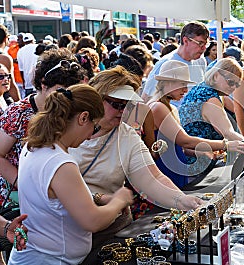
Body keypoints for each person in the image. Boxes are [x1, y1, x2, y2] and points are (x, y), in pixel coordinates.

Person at [68, 66, 204, 247]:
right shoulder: (64, 131)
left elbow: (153, 177)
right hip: (66, 229)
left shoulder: (126, 135)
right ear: (96, 100)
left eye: (127, 105)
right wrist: (101, 197)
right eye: (116, 104)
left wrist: (182, 200)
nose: (123, 111)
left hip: (108, 228)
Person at [6, 84, 133, 265]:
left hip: (35, 264)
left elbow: (60, 195)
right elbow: (92, 221)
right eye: (94, 126)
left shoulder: (34, 146)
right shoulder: (60, 163)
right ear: (83, 118)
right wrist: (119, 200)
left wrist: (98, 198)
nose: (91, 135)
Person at [149, 60, 244, 187]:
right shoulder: (158, 107)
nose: (185, 90)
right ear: (168, 82)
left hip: (177, 169)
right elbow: (184, 141)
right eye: (182, 84)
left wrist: (200, 151)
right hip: (167, 172)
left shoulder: (170, 107)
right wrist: (225, 145)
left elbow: (181, 147)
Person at [179, 58, 244, 177]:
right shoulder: (210, 98)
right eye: (230, 82)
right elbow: (227, 132)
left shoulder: (202, 89)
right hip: (197, 164)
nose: (233, 87)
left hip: (191, 159)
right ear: (216, 75)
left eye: (237, 84)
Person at [142, 21, 209, 102]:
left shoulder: (201, 61)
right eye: (200, 43)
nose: (204, 48)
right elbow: (146, 97)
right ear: (186, 41)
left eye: (206, 44)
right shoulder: (165, 64)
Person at [0, 24, 20, 102]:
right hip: (1, 101)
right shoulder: (3, 58)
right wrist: (20, 106)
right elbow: (11, 85)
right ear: (5, 39)